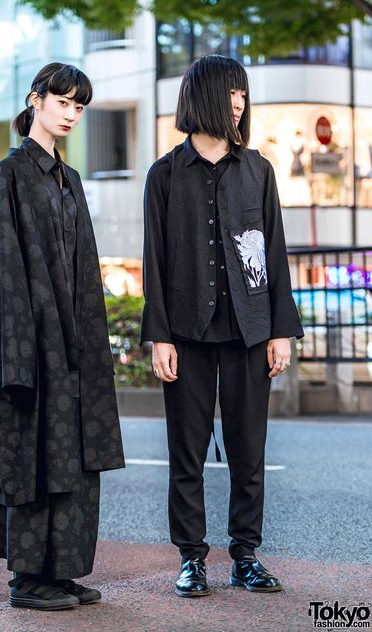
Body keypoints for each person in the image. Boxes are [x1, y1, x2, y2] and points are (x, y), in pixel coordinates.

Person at [141, 55, 304, 598]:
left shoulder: (259, 171)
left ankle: (245, 555)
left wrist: (280, 328)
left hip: (249, 328)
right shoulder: (163, 175)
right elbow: (155, 262)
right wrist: (158, 335)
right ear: (204, 97)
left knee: (247, 447)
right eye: (231, 92)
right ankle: (191, 558)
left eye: (243, 94)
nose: (239, 102)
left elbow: (274, 253)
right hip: (185, 332)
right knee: (186, 450)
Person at [0, 62, 125, 611]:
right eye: (63, 102)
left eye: (79, 106)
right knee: (36, 453)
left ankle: (60, 572)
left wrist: (88, 345)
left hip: (72, 345)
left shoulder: (69, 179)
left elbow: (86, 271)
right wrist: (19, 355)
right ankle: (27, 579)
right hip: (32, 346)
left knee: (71, 454)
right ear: (35, 100)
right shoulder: (10, 175)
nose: (71, 114)